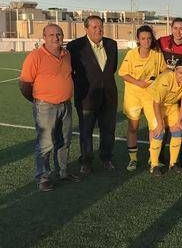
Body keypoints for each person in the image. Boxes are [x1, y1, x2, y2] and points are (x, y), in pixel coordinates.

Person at [19, 24, 79, 191]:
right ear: (44, 37)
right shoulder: (35, 56)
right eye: (51, 34)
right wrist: (38, 100)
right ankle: (43, 178)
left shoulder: (67, 54)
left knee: (64, 141)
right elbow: (24, 83)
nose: (56, 37)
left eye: (59, 34)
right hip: (45, 106)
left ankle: (63, 171)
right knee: (45, 144)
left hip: (65, 105)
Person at [67, 15, 118, 174]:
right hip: (86, 98)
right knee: (86, 132)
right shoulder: (75, 46)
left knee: (108, 131)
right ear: (86, 28)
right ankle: (86, 162)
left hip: (109, 96)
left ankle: (106, 158)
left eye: (100, 26)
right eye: (94, 27)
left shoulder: (111, 44)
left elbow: (112, 69)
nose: (98, 29)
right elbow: (71, 71)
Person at [118, 25, 167, 171]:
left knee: (155, 127)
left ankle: (153, 159)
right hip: (133, 96)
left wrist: (160, 79)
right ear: (138, 40)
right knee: (133, 128)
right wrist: (138, 82)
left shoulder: (157, 54)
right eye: (143, 38)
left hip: (150, 96)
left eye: (149, 38)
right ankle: (133, 159)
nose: (146, 41)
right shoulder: (131, 55)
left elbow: (164, 70)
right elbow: (123, 73)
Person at [146, 59, 182, 175]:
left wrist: (180, 120)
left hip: (171, 104)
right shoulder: (166, 79)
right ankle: (154, 165)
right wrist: (160, 122)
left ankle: (173, 163)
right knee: (159, 131)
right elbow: (156, 103)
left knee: (177, 129)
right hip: (152, 102)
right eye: (180, 73)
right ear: (175, 71)